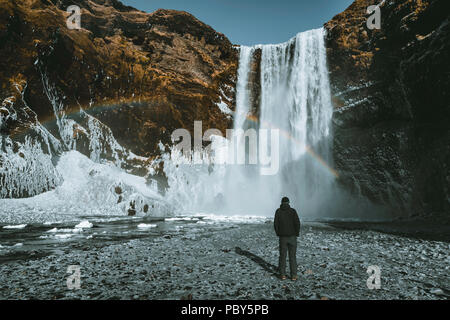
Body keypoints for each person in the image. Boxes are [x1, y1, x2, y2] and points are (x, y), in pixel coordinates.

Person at [274, 196, 300, 280]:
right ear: (289, 202)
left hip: (282, 237)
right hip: (292, 237)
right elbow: (297, 223)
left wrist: (278, 233)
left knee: (282, 256)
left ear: (281, 203)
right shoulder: (293, 211)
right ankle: (294, 275)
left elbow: (275, 224)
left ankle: (282, 275)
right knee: (292, 257)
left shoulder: (278, 211)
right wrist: (296, 233)